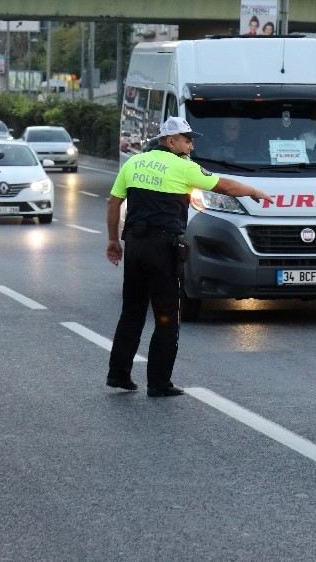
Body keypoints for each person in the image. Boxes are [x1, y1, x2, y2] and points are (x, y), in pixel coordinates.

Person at [105, 117, 271, 397]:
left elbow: (114, 202)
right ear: (171, 142)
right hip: (163, 248)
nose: (191, 145)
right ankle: (159, 383)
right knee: (167, 316)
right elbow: (225, 187)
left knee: (131, 313)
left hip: (134, 244)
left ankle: (118, 375)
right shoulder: (183, 167)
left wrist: (112, 240)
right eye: (186, 139)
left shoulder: (133, 163)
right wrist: (254, 191)